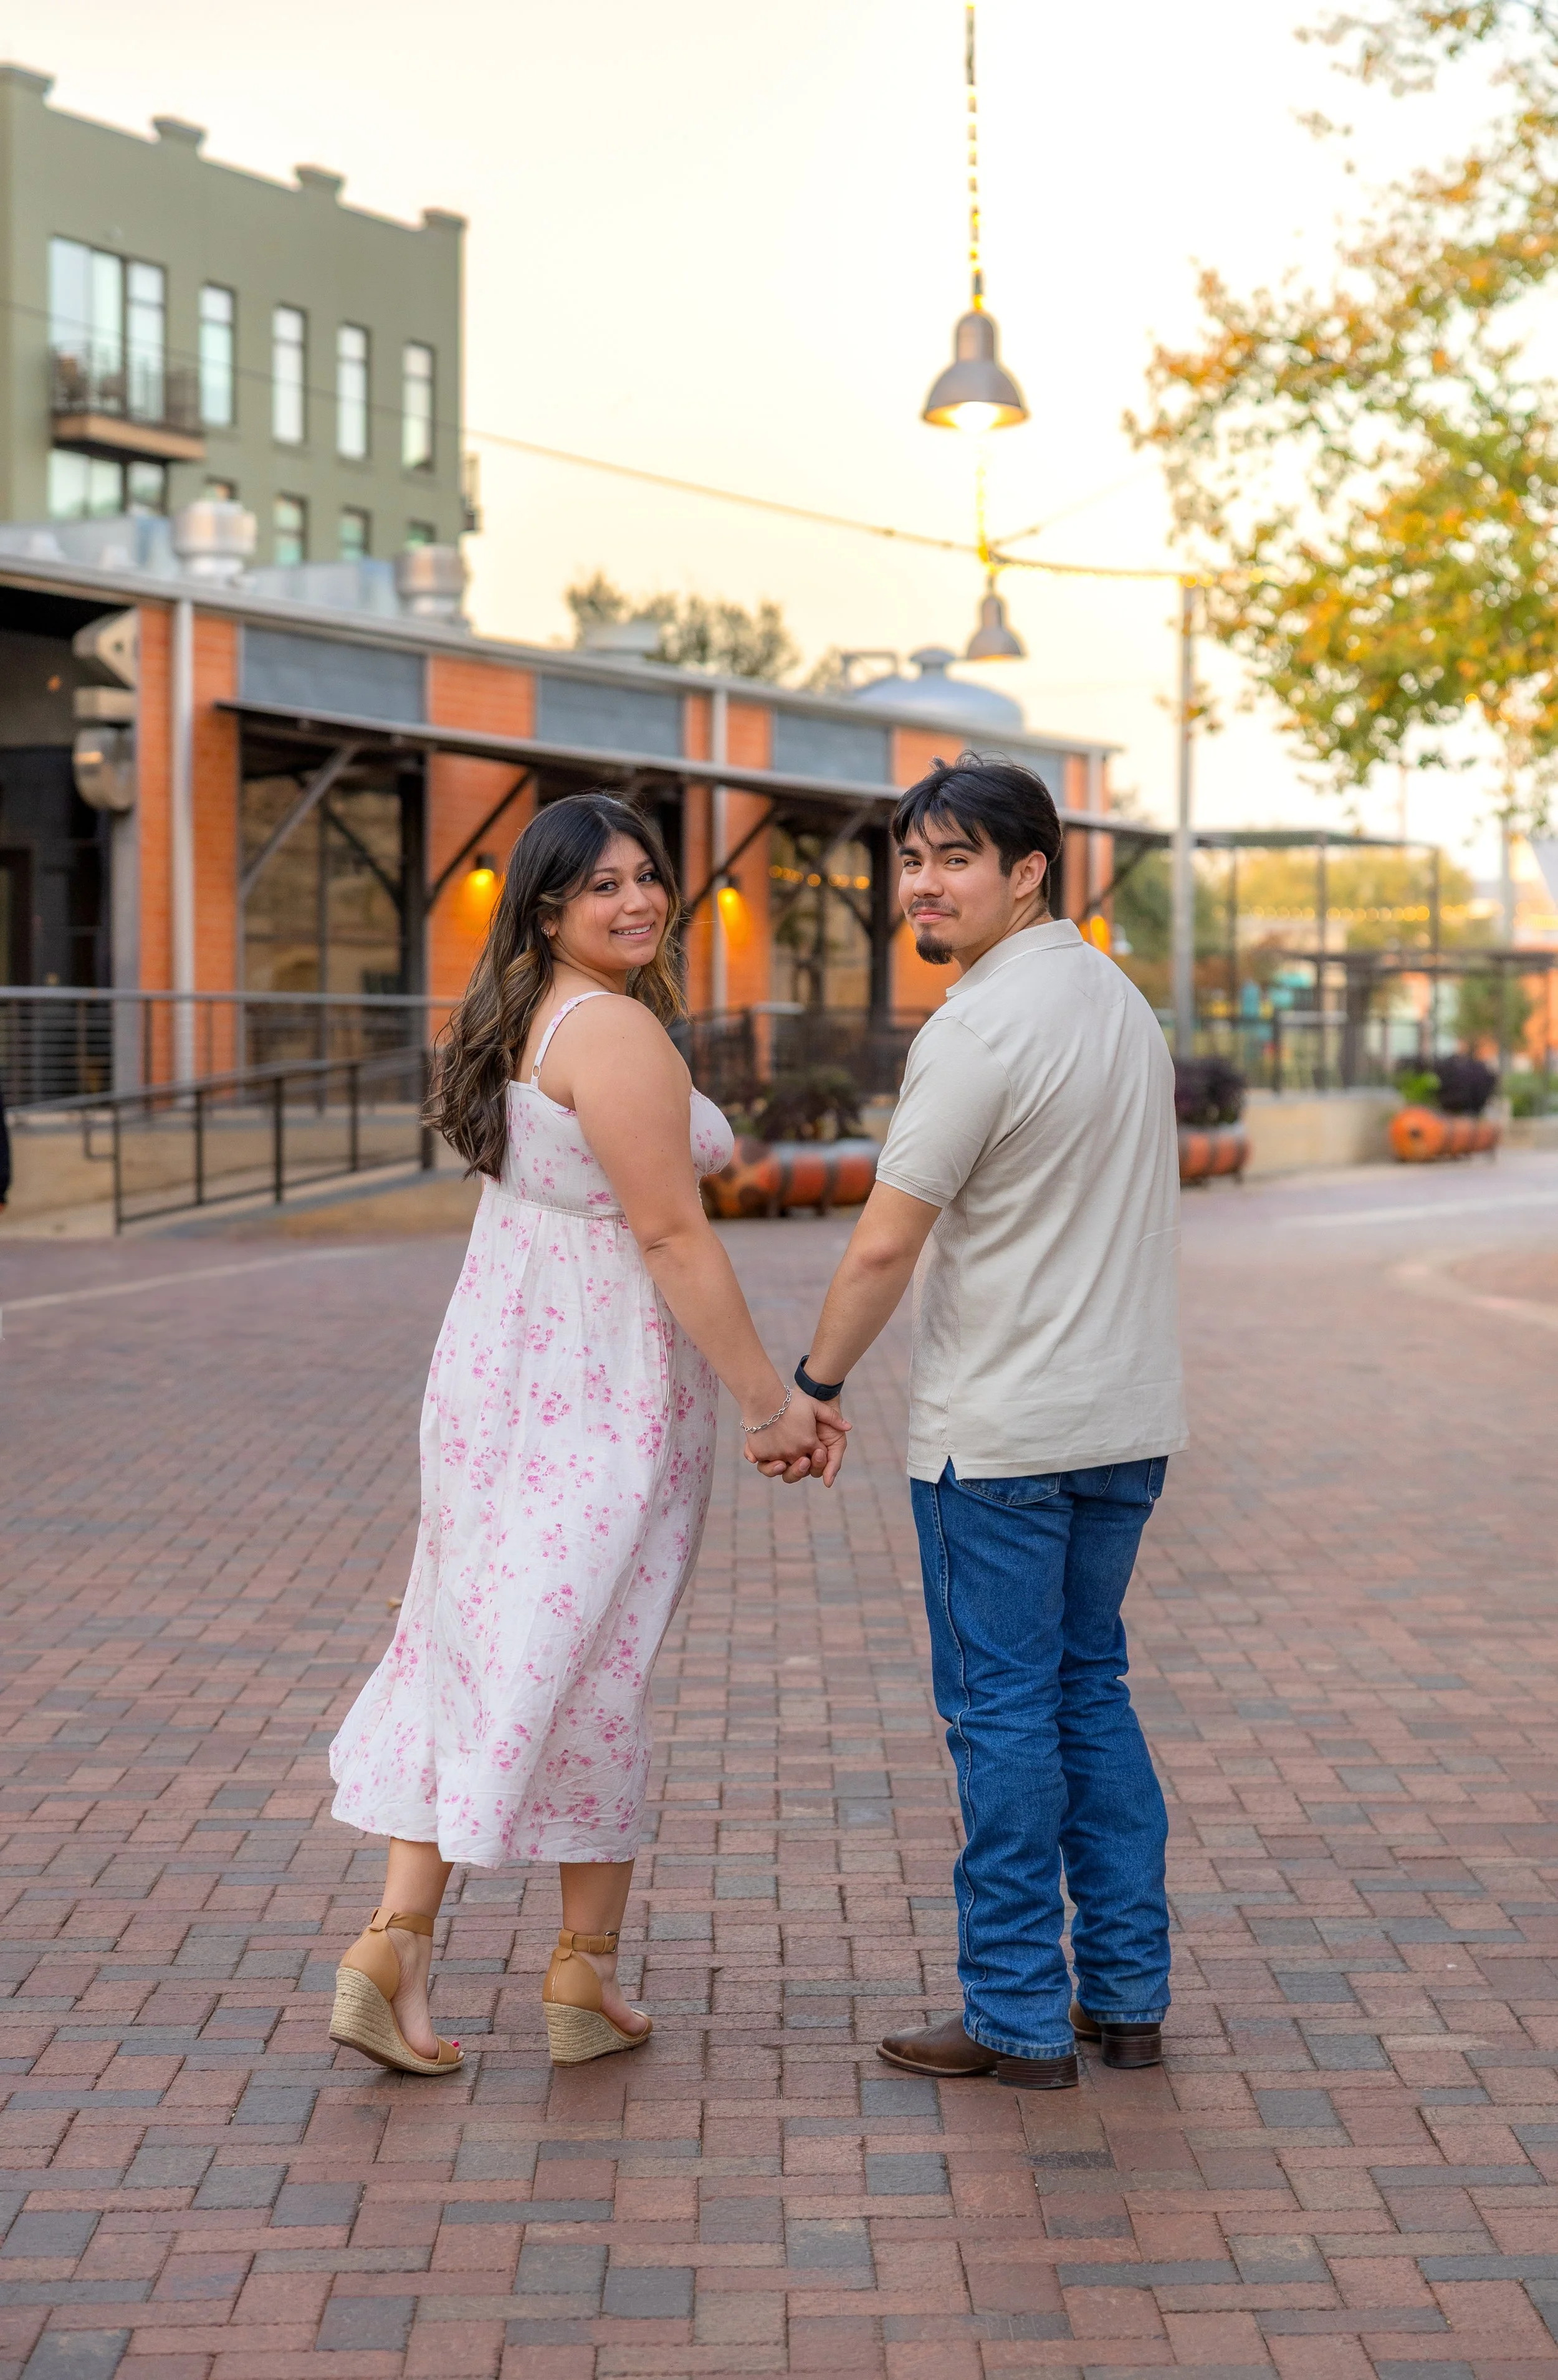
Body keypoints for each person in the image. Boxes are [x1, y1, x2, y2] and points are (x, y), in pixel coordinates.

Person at [328, 792, 844, 2077]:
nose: (636, 900)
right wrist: (768, 1402)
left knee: (478, 1643)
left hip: (507, 1375)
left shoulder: (527, 1017)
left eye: (647, 876)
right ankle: (536, 1966)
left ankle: (438, 1949)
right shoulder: (610, 1030)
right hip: (588, 1388)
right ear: (548, 908)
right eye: (601, 885)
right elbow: (671, 1234)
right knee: (586, 1660)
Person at [765, 753, 1187, 2089]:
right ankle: (1124, 1996)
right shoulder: (1117, 1001)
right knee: (1088, 1694)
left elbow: (887, 1244)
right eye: (908, 859)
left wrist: (812, 1388)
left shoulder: (978, 1026)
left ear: (1025, 871)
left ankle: (1012, 2014)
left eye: (953, 858)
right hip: (1123, 1419)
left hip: (999, 1436)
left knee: (1002, 1714)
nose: (923, 885)